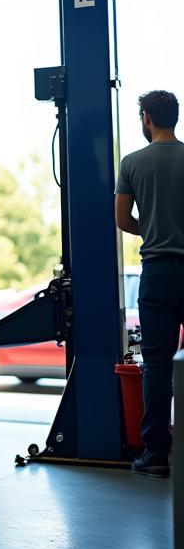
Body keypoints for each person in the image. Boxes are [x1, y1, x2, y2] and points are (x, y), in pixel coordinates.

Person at [115, 90, 184, 478]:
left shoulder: (133, 163)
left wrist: (153, 230)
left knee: (157, 365)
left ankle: (156, 454)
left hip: (157, 272)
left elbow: (123, 220)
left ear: (146, 118)